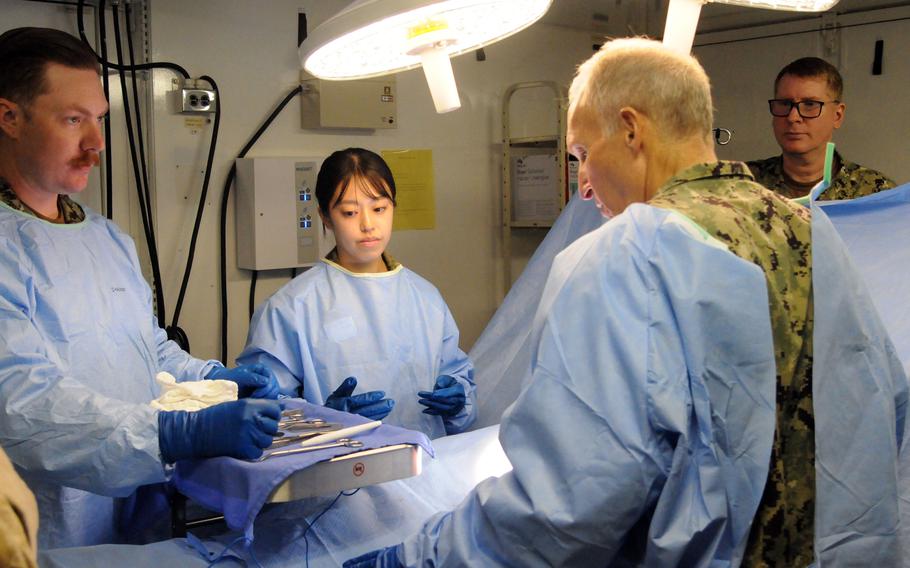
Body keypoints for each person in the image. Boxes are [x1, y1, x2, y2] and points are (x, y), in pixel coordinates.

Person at [345, 38, 907, 567]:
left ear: (632, 129)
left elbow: (567, 505)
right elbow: (885, 410)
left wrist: (419, 555)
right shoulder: (812, 233)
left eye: (584, 153)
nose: (583, 185)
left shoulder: (629, 254)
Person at [0, 27, 284, 549]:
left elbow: (145, 350)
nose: (97, 144)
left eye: (100, 120)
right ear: (9, 118)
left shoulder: (106, 239)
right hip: (45, 524)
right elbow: (21, 402)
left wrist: (215, 381)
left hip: (135, 502)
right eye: (73, 120)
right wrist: (173, 434)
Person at [238, 148, 476, 439]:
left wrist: (458, 401)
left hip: (424, 472)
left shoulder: (426, 299)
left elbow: (461, 389)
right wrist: (324, 418)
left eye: (379, 209)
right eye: (350, 212)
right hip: (336, 478)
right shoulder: (291, 308)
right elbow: (258, 412)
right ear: (325, 216)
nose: (367, 224)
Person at [747, 56, 896, 200]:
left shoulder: (875, 193)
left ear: (837, 116)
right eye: (784, 104)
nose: (793, 117)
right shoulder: (742, 186)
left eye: (810, 104)